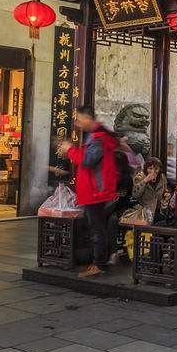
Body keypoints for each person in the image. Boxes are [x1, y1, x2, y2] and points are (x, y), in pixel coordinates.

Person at [68, 105, 121, 278]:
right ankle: (101, 260)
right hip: (94, 191)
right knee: (98, 228)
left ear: (89, 118)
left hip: (95, 192)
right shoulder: (96, 136)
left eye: (79, 119)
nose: (77, 123)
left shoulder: (98, 137)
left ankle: (98, 263)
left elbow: (88, 160)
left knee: (97, 229)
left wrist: (70, 150)